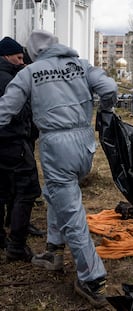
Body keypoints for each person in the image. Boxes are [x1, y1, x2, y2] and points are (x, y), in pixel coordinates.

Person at [0, 29, 118, 308]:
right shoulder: (81, 64)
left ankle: (91, 277)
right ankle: (53, 251)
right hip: (85, 145)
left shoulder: (30, 72)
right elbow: (110, 89)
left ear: (32, 52)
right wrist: (107, 111)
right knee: (56, 194)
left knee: (72, 213)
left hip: (57, 145)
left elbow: (6, 109)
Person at [0, 36, 42, 256]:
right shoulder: (9, 80)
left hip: (7, 142)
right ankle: (17, 244)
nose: (22, 62)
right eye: (18, 57)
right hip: (12, 142)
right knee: (27, 190)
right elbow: (19, 112)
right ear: (7, 56)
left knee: (3, 191)